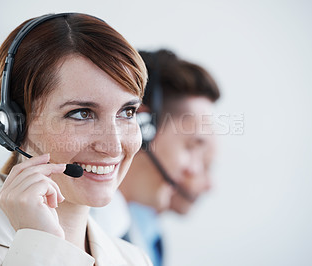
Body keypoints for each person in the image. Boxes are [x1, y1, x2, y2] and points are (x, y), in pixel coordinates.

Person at [0, 13, 152, 265]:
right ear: (13, 125)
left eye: (127, 112)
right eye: (81, 114)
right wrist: (39, 249)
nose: (113, 146)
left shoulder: (134, 259)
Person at [91, 49, 220, 266]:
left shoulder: (138, 234)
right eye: (191, 146)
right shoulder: (75, 231)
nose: (195, 170)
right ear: (142, 126)